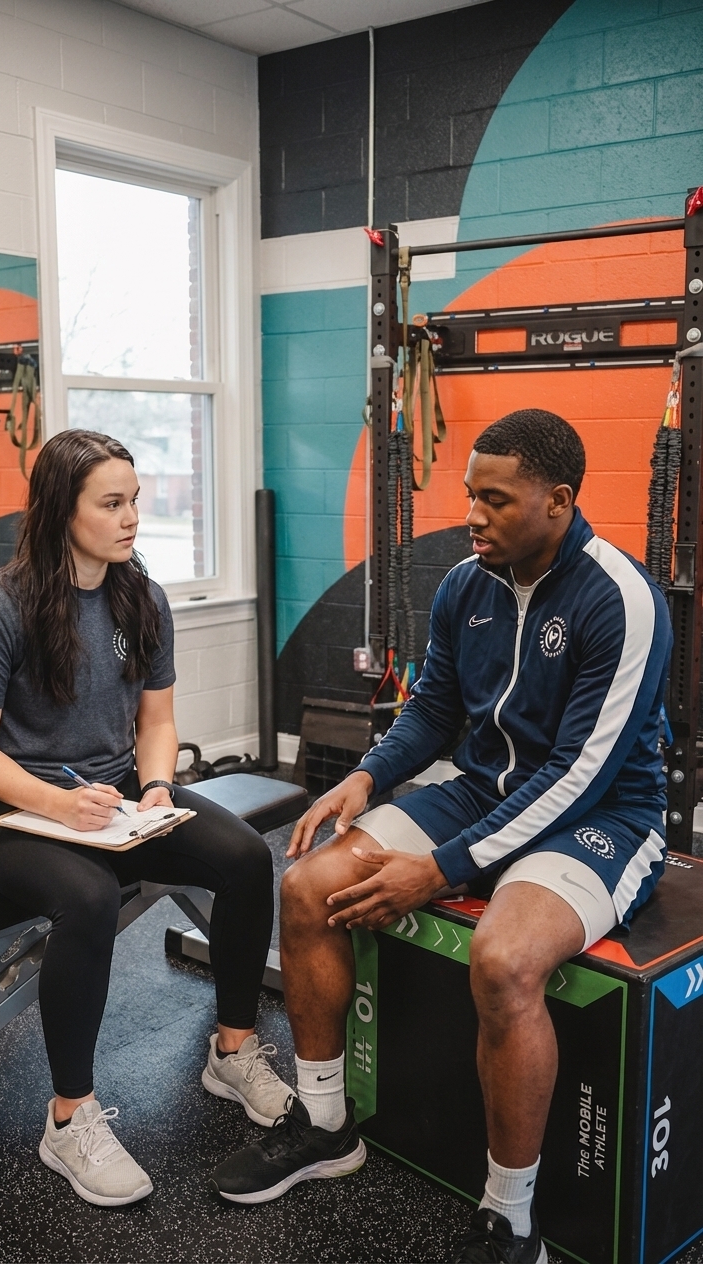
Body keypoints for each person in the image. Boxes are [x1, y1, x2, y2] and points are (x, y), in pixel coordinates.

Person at [210, 410, 672, 1263]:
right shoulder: (467, 583)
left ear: (558, 501)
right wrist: (365, 777)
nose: (473, 514)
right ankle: (322, 1120)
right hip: (480, 790)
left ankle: (510, 1219)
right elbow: (432, 710)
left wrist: (442, 870)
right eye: (470, 495)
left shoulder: (623, 599)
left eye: (495, 499)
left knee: (504, 959)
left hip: (600, 817)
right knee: (307, 884)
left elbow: (579, 774)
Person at [0, 429, 291, 1208]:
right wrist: (60, 804)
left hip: (113, 796)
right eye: (112, 503)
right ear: (59, 510)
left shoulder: (141, 595)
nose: (132, 516)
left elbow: (158, 721)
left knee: (242, 856)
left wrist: (161, 787)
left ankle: (232, 1050)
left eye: (135, 499)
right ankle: (69, 1117)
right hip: (6, 812)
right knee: (90, 898)